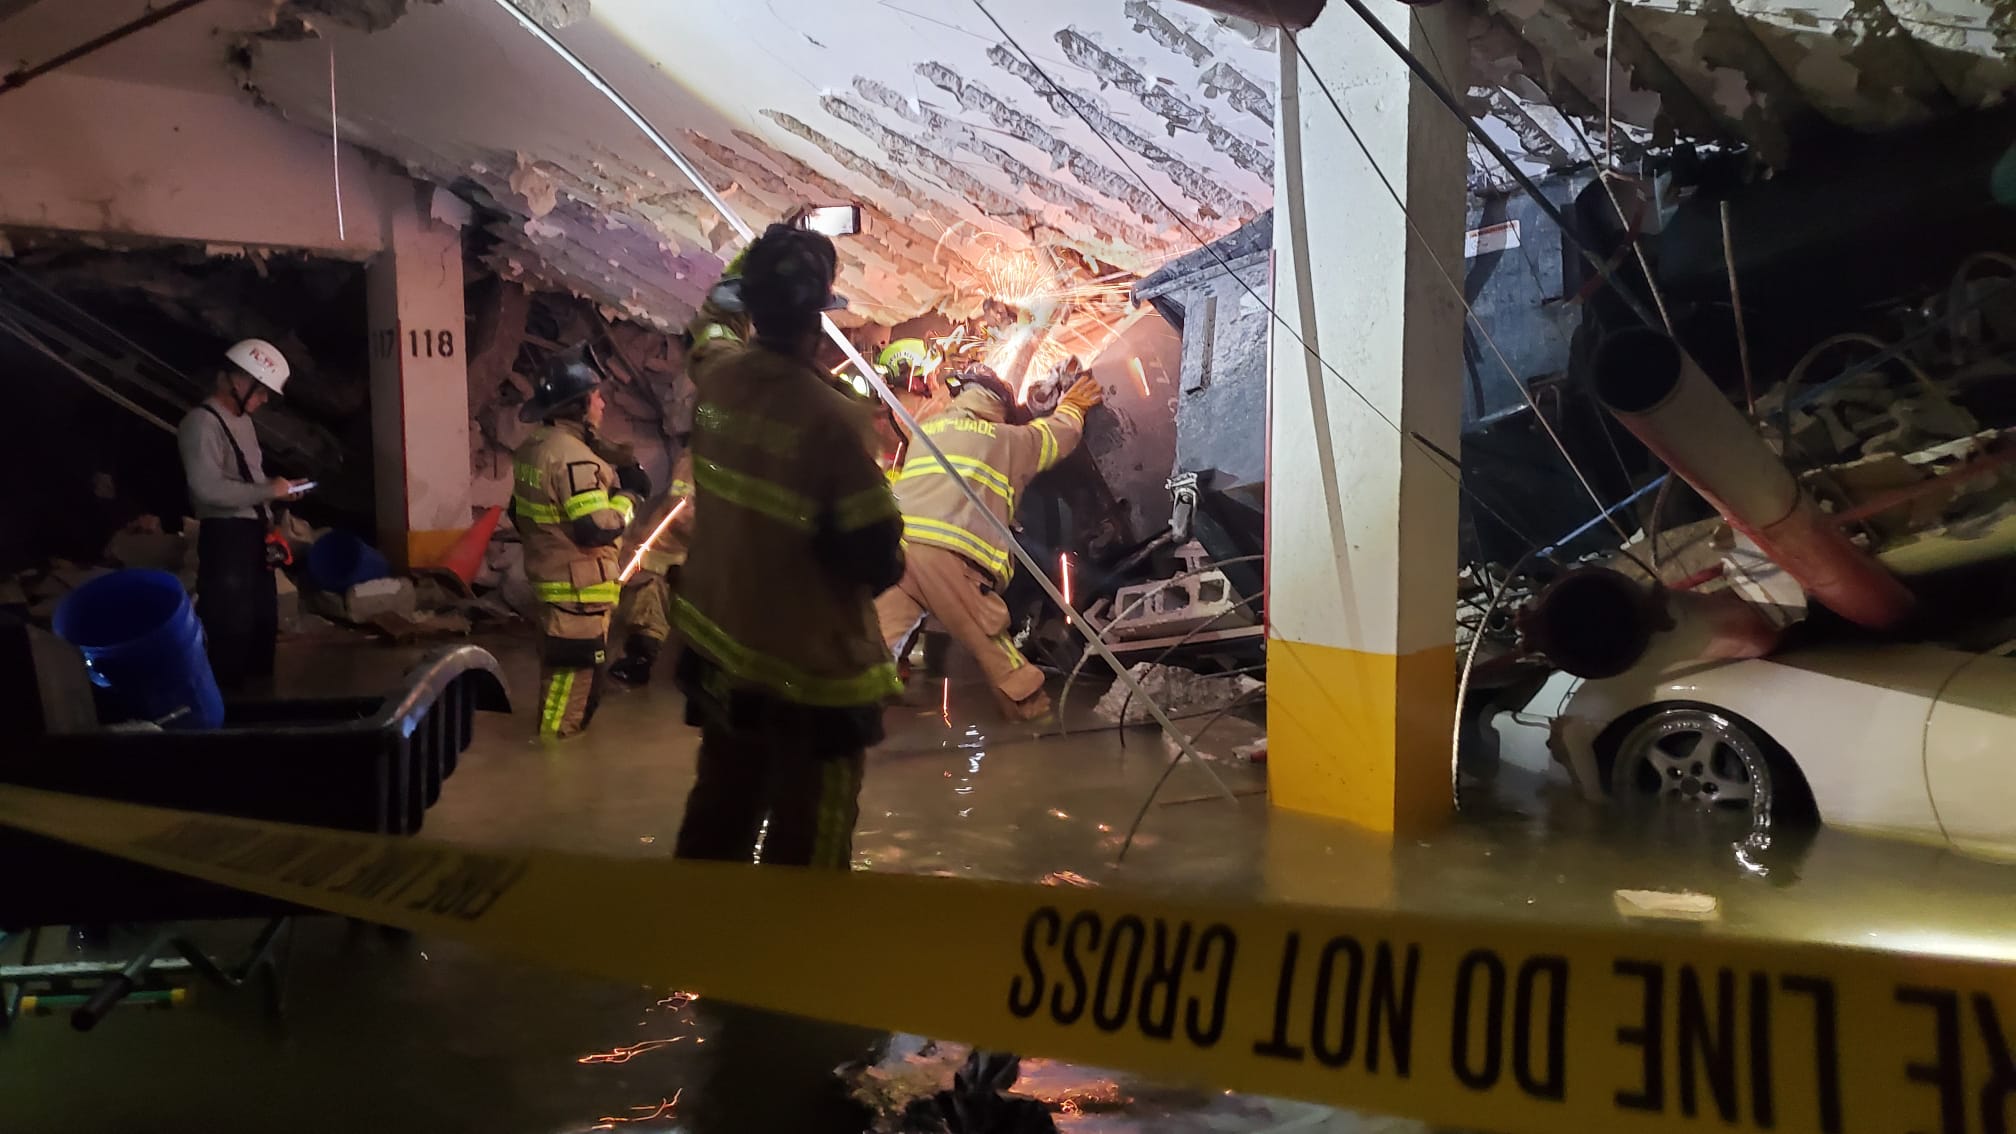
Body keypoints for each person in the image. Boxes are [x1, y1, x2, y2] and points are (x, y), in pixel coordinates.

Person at [671, 222, 904, 869]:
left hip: (721, 657)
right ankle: (793, 964)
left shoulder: (716, 375)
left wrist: (764, 251)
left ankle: (683, 960)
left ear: (755, 309)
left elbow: (711, 319)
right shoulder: (834, 420)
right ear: (817, 318)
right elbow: (878, 558)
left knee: (718, 817)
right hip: (811, 681)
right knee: (808, 850)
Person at [874, 363, 1104, 721]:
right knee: (991, 642)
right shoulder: (1004, 440)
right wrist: (1072, 406)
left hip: (893, 550)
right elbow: (1055, 436)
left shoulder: (926, 429)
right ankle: (1035, 720)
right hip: (949, 559)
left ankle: (841, 720)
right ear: (1001, 408)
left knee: (875, 643)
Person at [510, 354, 639, 739]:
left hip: (554, 588)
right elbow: (594, 529)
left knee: (566, 689)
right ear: (579, 405)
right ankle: (553, 784)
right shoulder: (574, 459)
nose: (602, 404)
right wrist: (630, 498)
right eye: (596, 397)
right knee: (566, 708)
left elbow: (518, 513)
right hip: (578, 594)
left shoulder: (536, 446)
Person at [177, 338, 298, 691]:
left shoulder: (243, 423)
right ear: (236, 382)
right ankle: (228, 712)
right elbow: (207, 489)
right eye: (260, 392)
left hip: (253, 535)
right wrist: (267, 490)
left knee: (261, 624)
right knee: (230, 626)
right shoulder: (201, 424)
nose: (263, 400)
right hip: (225, 537)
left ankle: (260, 703)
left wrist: (276, 501)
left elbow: (252, 480)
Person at [606, 447, 694, 686]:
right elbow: (681, 509)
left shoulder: (700, 457)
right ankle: (639, 659)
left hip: (671, 551)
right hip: (663, 551)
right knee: (646, 601)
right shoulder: (694, 459)